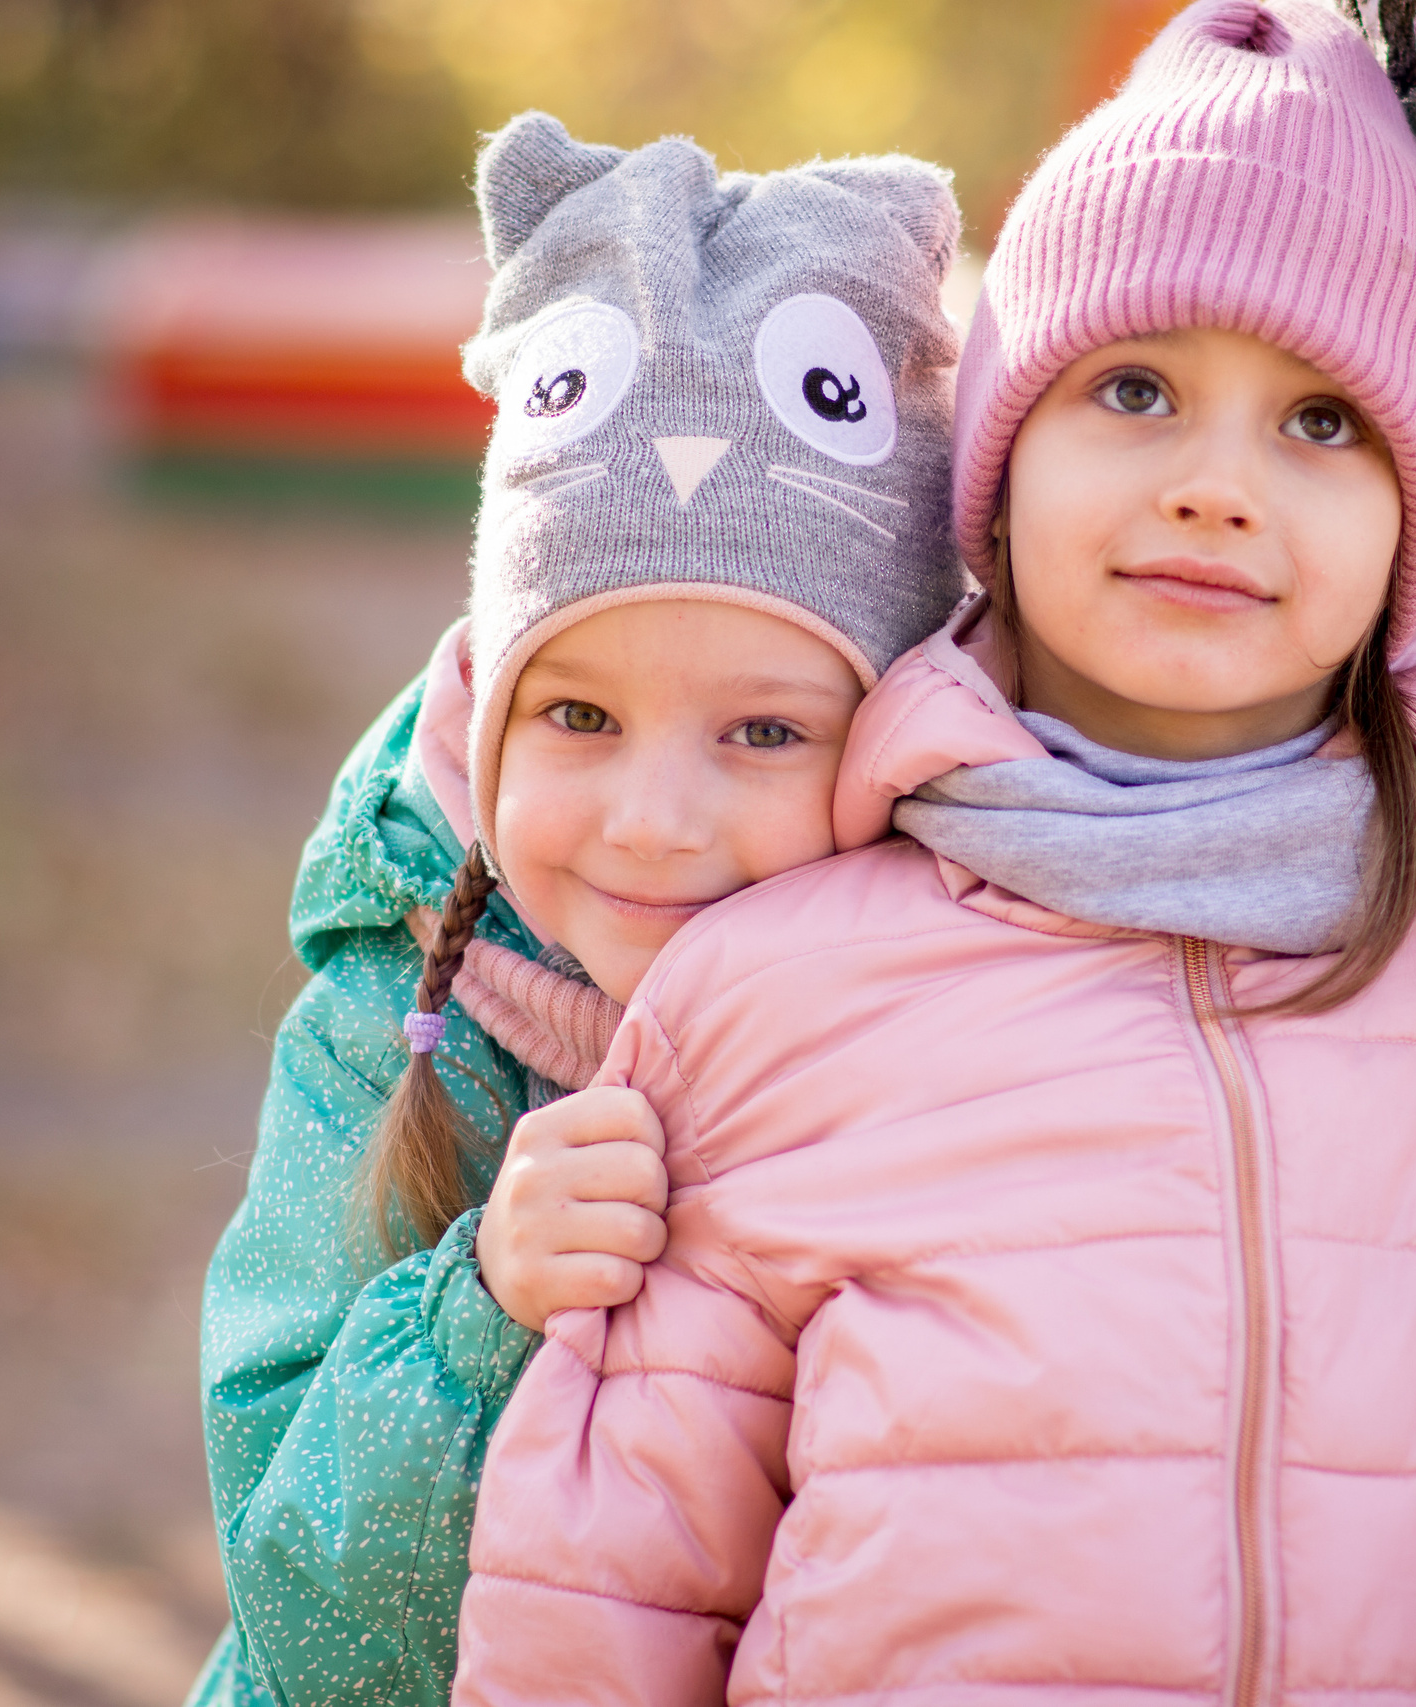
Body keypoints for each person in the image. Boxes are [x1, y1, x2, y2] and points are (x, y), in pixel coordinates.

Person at [454, 4, 1416, 1703]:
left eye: (1323, 422)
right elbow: (605, 1596)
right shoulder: (770, 989)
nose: (1216, 486)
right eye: (1137, 389)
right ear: (1000, 465)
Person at [184, 112, 970, 1707]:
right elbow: (300, 1610)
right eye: (580, 720)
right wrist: (484, 1316)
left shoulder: (955, 1033)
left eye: (763, 731)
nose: (654, 822)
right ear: (482, 712)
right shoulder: (395, 1030)